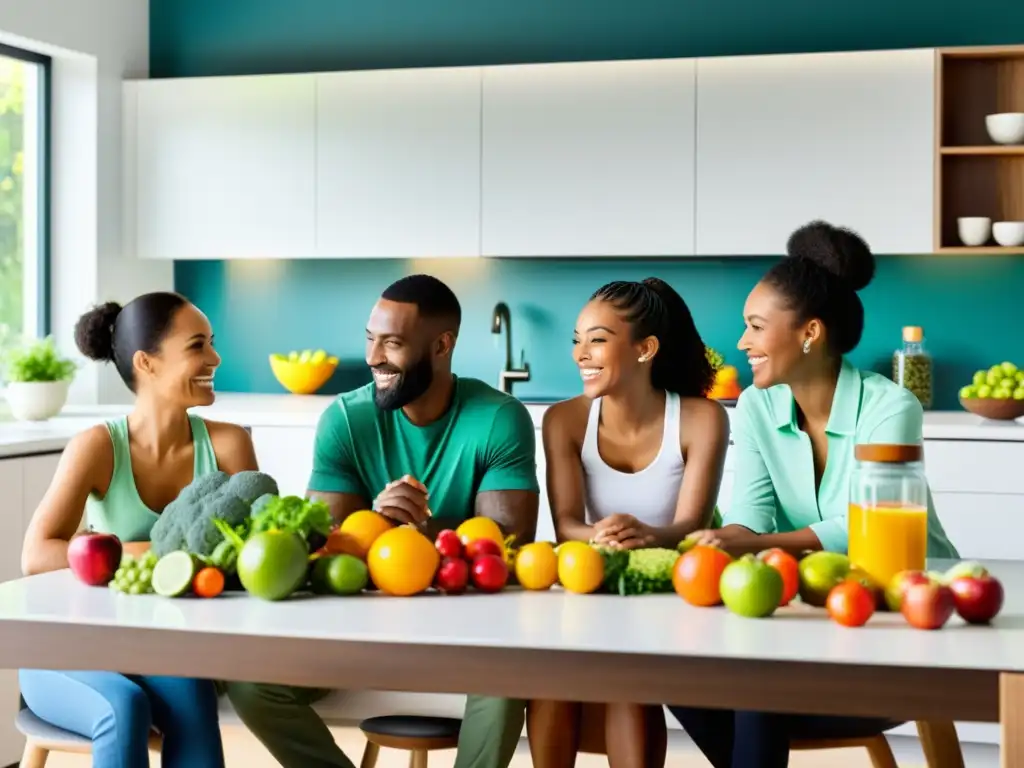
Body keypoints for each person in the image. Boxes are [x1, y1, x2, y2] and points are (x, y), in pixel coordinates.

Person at [672, 221, 960, 768]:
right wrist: (709, 540)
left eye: (755, 327)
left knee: (755, 689)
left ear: (809, 333)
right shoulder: (758, 406)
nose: (741, 343)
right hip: (813, 613)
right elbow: (751, 516)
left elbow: (867, 529)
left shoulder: (890, 407)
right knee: (676, 669)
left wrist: (752, 545)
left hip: (904, 617)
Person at [224, 274, 540, 768]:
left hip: (464, 633)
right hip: (355, 628)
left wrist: (416, 534)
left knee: (505, 679)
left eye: (392, 343)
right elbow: (322, 547)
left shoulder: (499, 418)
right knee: (251, 683)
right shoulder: (346, 420)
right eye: (370, 338)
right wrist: (375, 519)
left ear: (442, 345)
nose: (373, 357)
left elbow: (503, 551)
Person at [20, 292, 259, 768]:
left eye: (212, 343)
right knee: (122, 706)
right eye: (197, 346)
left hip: (162, 646)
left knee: (193, 693)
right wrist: (150, 551)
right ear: (146, 363)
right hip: (70, 646)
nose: (215, 357)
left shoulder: (229, 444)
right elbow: (36, 553)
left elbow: (249, 558)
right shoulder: (98, 447)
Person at [527, 278, 730, 768]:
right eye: (576, 340)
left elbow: (688, 527)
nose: (581, 354)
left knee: (629, 680)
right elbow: (567, 525)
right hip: (590, 583)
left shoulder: (703, 419)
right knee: (552, 679)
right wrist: (601, 535)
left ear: (646, 349)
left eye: (597, 339)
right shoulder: (564, 420)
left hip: (668, 592)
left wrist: (648, 535)